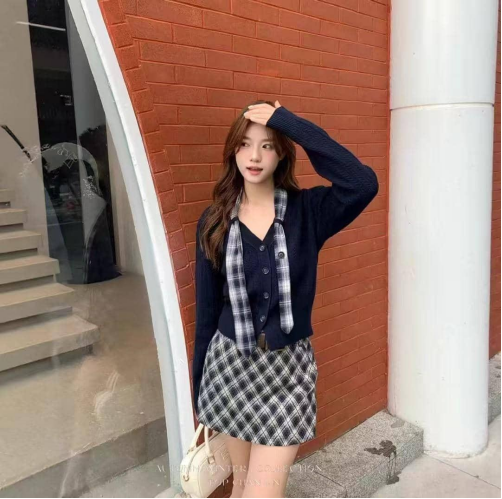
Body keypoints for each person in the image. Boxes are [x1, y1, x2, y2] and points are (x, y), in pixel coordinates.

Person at [193, 100, 379, 498]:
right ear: (233, 151)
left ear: (282, 153)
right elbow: (207, 311)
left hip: (287, 375)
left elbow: (362, 184)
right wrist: (199, 390)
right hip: (229, 369)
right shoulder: (214, 221)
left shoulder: (308, 212)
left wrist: (289, 122)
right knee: (241, 488)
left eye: (267, 146)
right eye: (245, 144)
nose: (254, 156)